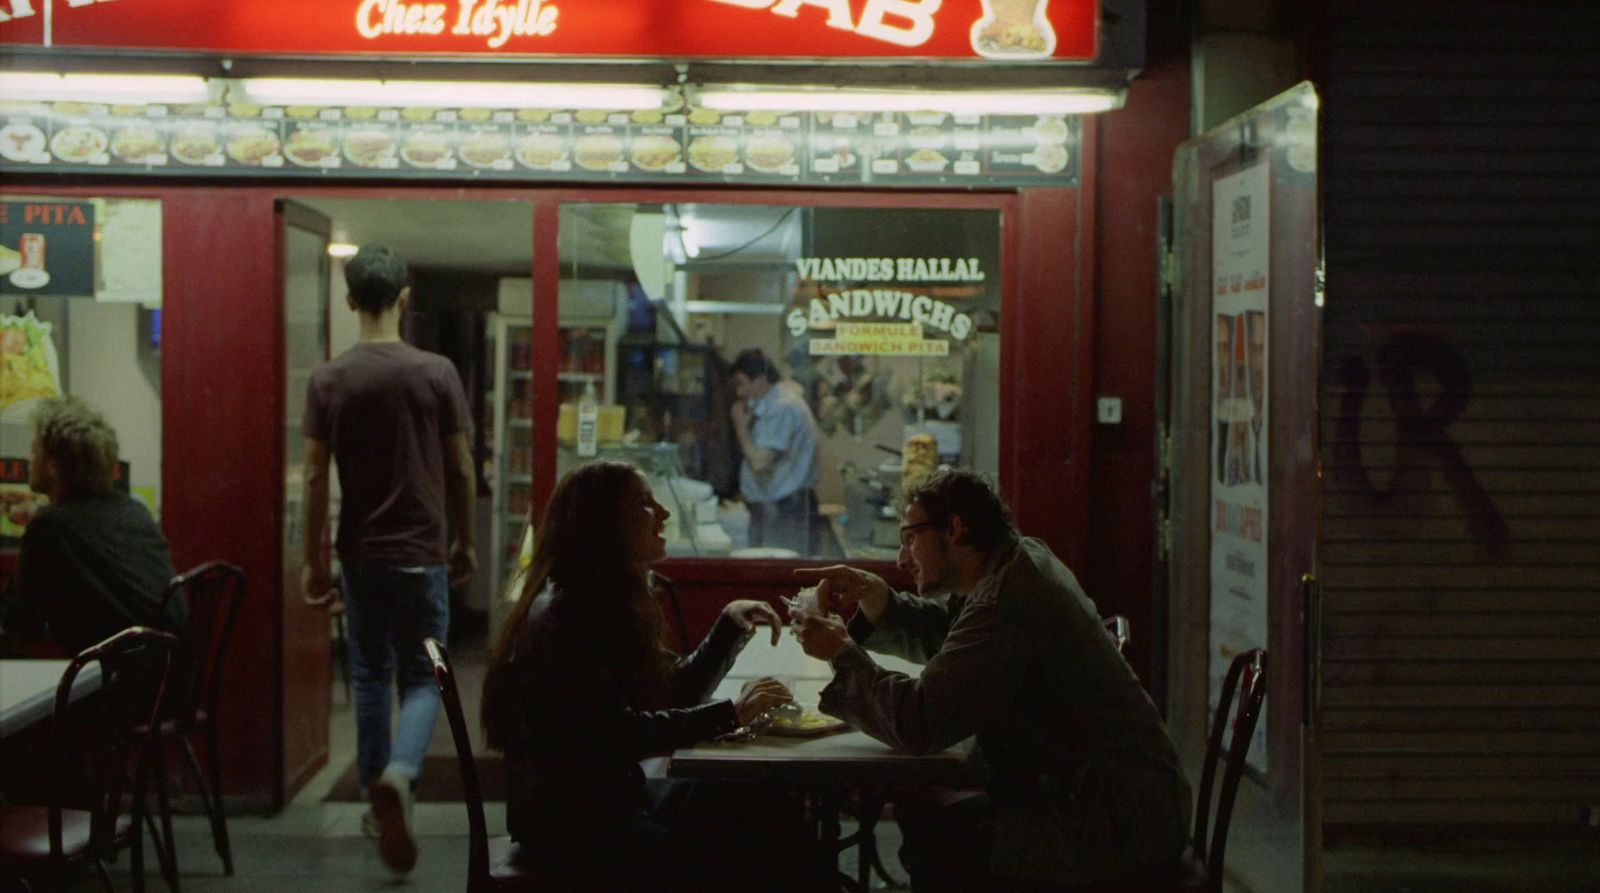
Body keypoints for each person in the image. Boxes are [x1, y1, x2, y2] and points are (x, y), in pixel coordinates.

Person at [793, 469, 1191, 891]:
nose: (901, 559)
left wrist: (840, 651)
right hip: (1119, 800)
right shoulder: (1018, 560)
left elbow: (920, 721)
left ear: (955, 529)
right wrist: (878, 600)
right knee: (925, 817)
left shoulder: (1009, 600)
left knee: (935, 845)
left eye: (909, 538)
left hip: (1109, 822)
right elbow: (961, 639)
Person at [480, 459, 828, 892]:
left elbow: (666, 691)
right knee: (748, 841)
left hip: (608, 800)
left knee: (759, 798)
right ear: (605, 524)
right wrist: (731, 714)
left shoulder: (593, 597)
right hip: (574, 827)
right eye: (645, 504)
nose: (663, 513)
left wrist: (728, 627)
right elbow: (619, 732)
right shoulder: (566, 615)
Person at [301, 243, 476, 875]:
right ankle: (401, 774)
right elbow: (461, 465)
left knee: (371, 674)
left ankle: (378, 803)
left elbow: (316, 476)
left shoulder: (328, 379)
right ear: (404, 300)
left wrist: (311, 557)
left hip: (360, 552)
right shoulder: (436, 372)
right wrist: (466, 539)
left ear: (350, 300)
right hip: (421, 550)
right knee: (425, 674)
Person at [0, 396, 186, 660]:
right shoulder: (133, 511)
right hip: (168, 678)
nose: (28, 458)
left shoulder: (51, 526)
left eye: (34, 449)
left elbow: (17, 624)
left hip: (115, 687)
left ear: (53, 465)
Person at [728, 347, 820, 554]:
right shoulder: (773, 404)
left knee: (779, 574)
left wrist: (740, 427)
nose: (739, 392)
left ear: (760, 380)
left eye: (742, 383)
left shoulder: (783, 407)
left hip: (784, 511)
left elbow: (760, 463)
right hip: (776, 508)